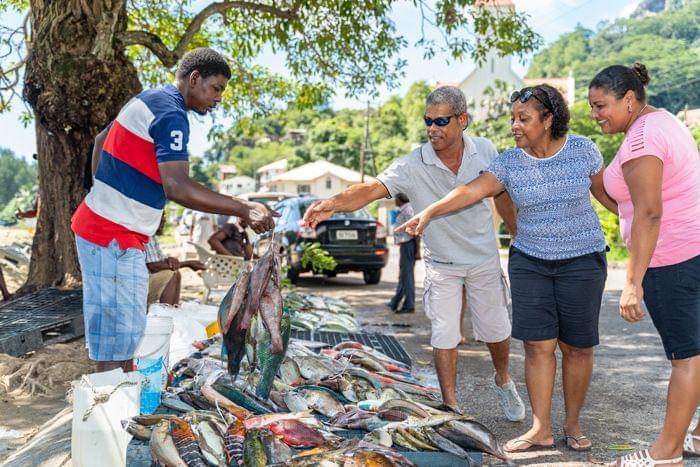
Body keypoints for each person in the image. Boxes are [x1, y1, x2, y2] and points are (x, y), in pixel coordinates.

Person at [398, 84, 613, 452]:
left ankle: (572, 424)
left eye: (523, 118)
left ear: (548, 120)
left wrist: (649, 223)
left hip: (582, 261)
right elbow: (471, 191)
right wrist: (430, 211)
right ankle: (541, 428)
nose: (514, 125)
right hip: (531, 262)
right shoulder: (510, 162)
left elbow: (611, 198)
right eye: (513, 118)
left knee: (576, 346)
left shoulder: (583, 150)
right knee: (537, 346)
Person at [303, 86, 525, 420]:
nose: (432, 128)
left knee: (495, 329)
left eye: (441, 121)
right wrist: (331, 204)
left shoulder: (485, 149)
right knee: (445, 333)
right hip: (441, 263)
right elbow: (370, 190)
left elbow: (501, 194)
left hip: (482, 256)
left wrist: (517, 232)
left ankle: (503, 379)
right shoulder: (413, 163)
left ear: (462, 120)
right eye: (428, 121)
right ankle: (451, 405)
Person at [71, 48, 277, 373]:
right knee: (118, 341)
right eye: (216, 88)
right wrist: (243, 207)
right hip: (111, 237)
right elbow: (177, 187)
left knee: (124, 335)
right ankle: (112, 409)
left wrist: (106, 192)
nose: (219, 98)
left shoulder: (150, 99)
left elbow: (100, 140)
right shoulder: (171, 113)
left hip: (113, 233)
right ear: (194, 79)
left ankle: (119, 399)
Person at [588, 63, 700, 466]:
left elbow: (650, 214)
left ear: (629, 99)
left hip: (672, 258)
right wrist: (609, 195)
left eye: (601, 106)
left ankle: (666, 453)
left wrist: (632, 281)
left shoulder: (642, 140)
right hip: (693, 248)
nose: (595, 114)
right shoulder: (661, 121)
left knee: (686, 356)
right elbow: (632, 204)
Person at [145, 219, 206, 305]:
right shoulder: (145, 235)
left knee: (175, 272)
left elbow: (161, 261)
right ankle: (166, 312)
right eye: (161, 219)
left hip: (147, 279)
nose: (164, 222)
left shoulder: (152, 236)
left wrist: (170, 260)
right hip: (139, 283)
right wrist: (187, 264)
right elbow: (152, 266)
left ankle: (173, 311)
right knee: (171, 274)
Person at [386, 193, 420, 314]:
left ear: (400, 199)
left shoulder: (408, 210)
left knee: (407, 276)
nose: (395, 201)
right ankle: (395, 301)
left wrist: (417, 251)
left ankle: (409, 305)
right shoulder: (404, 210)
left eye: (396, 199)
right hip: (406, 245)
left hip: (409, 245)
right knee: (403, 275)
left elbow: (416, 231)